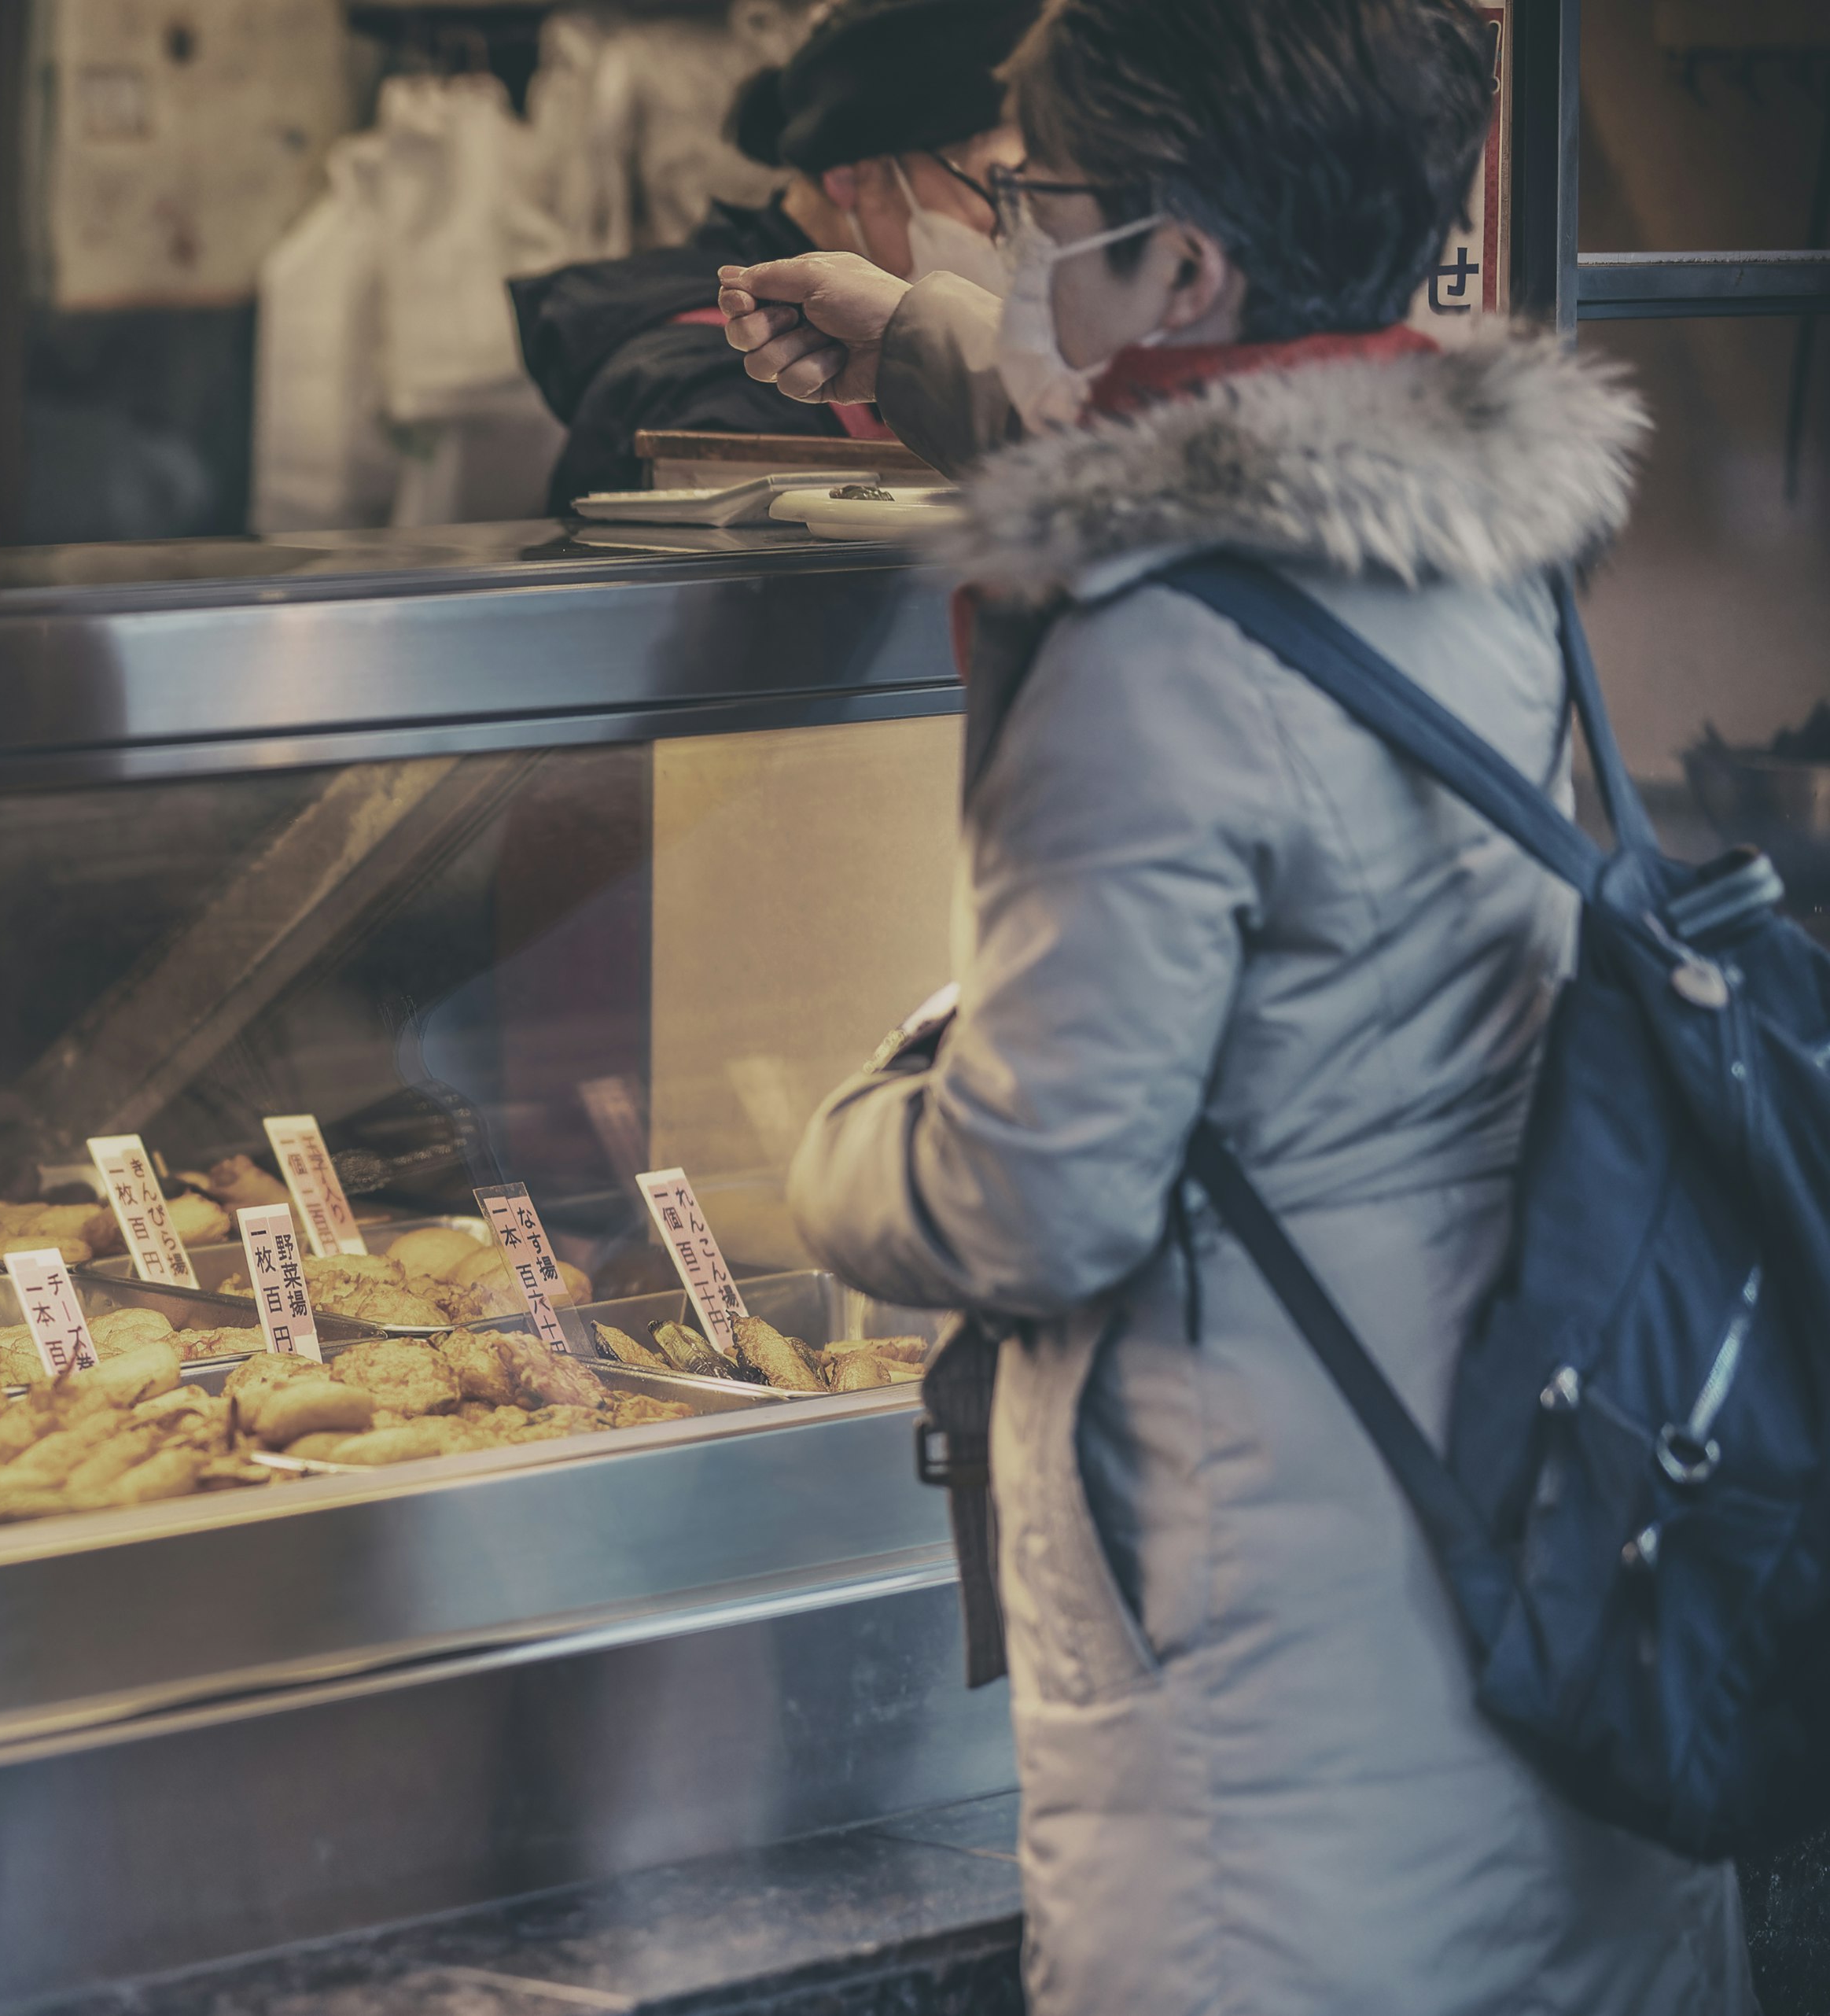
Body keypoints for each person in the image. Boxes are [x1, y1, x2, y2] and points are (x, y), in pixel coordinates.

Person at [734, 1, 1756, 2010]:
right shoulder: (1478, 531)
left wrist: (835, 1142)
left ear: (1183, 266)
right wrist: (926, 339)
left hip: (1280, 1713)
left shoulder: (1144, 651)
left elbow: (1036, 1197)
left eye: (1038, 204)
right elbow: (1221, 468)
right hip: (1546, 1582)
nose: (1013, 239)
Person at [508, 0, 1035, 515]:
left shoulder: (876, 349)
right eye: (997, 187)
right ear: (850, 179)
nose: (1023, 225)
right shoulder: (728, 392)